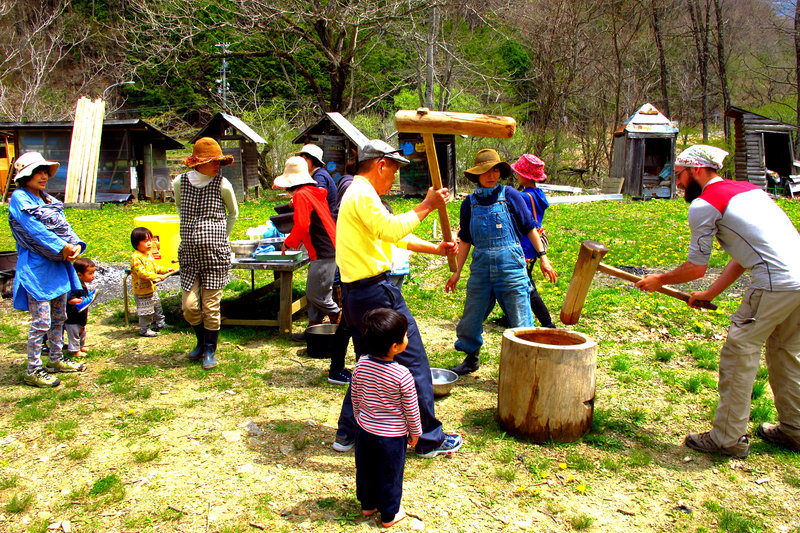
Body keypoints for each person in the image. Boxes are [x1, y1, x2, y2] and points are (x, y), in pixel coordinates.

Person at [636, 144, 800, 457]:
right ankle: (796, 429)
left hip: (774, 284)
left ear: (697, 169)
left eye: (680, 175)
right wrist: (711, 293)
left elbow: (695, 268)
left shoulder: (705, 204)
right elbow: (744, 254)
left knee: (740, 353)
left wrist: (660, 280)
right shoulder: (749, 191)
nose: (678, 182)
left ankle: (727, 439)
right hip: (797, 281)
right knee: (784, 351)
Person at [333, 139, 462, 458]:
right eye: (393, 170)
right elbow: (392, 229)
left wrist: (435, 248)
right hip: (376, 294)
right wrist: (427, 205)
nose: (394, 179)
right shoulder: (362, 193)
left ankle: (348, 431)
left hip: (356, 296)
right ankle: (429, 439)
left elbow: (393, 236)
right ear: (380, 165)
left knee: (369, 364)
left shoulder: (359, 194)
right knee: (412, 360)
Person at [445, 149, 557, 375]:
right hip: (481, 270)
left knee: (521, 320)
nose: (492, 175)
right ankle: (471, 358)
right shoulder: (468, 204)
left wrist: (543, 259)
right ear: (477, 174)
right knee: (471, 318)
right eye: (486, 171)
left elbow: (530, 229)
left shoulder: (511, 196)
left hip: (511, 269)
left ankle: (526, 367)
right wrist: (456, 271)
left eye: (496, 170)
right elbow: (465, 240)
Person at [8, 152, 86, 387]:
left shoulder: (48, 200)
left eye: (45, 172)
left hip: (57, 265)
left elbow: (63, 226)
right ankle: (33, 369)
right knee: (41, 321)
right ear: (26, 176)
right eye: (37, 172)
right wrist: (63, 246)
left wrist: (76, 244)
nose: (43, 176)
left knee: (59, 317)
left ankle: (56, 358)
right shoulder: (19, 198)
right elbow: (35, 230)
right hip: (36, 269)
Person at [274, 156, 347, 383]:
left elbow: (302, 224)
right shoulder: (313, 192)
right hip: (327, 247)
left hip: (323, 249)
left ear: (290, 183)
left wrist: (288, 243)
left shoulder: (302, 195)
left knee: (317, 295)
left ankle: (341, 322)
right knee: (315, 292)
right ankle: (312, 334)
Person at [173, 137, 239, 370]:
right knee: (189, 307)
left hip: (215, 256)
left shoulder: (222, 184)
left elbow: (233, 213)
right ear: (198, 163)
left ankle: (210, 350)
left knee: (210, 306)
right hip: (190, 255)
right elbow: (180, 207)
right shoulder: (180, 183)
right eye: (213, 161)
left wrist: (221, 237)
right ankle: (201, 341)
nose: (217, 166)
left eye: (219, 162)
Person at [351, 308, 421, 528]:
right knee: (390, 474)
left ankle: (368, 505)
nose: (407, 338)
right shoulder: (402, 375)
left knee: (366, 469)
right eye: (405, 335)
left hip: (364, 431)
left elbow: (355, 395)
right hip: (391, 437)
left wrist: (359, 417)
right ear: (394, 347)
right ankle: (389, 514)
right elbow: (411, 409)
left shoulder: (361, 364)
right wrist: (415, 432)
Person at [511, 153, 556, 328]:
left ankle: (547, 322)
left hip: (525, 244)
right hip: (535, 243)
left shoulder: (522, 197)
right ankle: (511, 316)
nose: (516, 175)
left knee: (526, 283)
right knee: (520, 281)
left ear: (526, 176)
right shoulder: (538, 194)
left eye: (519, 172)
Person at [130, 227, 176, 337]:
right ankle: (144, 329)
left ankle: (160, 323)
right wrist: (157, 276)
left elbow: (155, 267)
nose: (149, 243)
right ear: (136, 243)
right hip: (142, 291)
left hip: (151, 288)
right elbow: (142, 273)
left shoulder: (148, 254)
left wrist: (165, 270)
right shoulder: (136, 257)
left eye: (150, 240)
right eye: (145, 241)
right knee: (146, 311)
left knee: (157, 307)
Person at [65, 257, 97, 357]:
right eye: (90, 273)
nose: (93, 276)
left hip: (81, 316)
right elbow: (70, 300)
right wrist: (81, 301)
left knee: (82, 331)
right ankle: (75, 351)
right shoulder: (74, 287)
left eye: (93, 273)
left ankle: (81, 346)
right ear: (79, 275)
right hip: (72, 318)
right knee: (74, 333)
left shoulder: (83, 285)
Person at [297, 143, 337, 213]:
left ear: (314, 160)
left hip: (329, 215)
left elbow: (319, 197)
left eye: (306, 159)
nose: (303, 162)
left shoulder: (319, 176)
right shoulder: (316, 174)